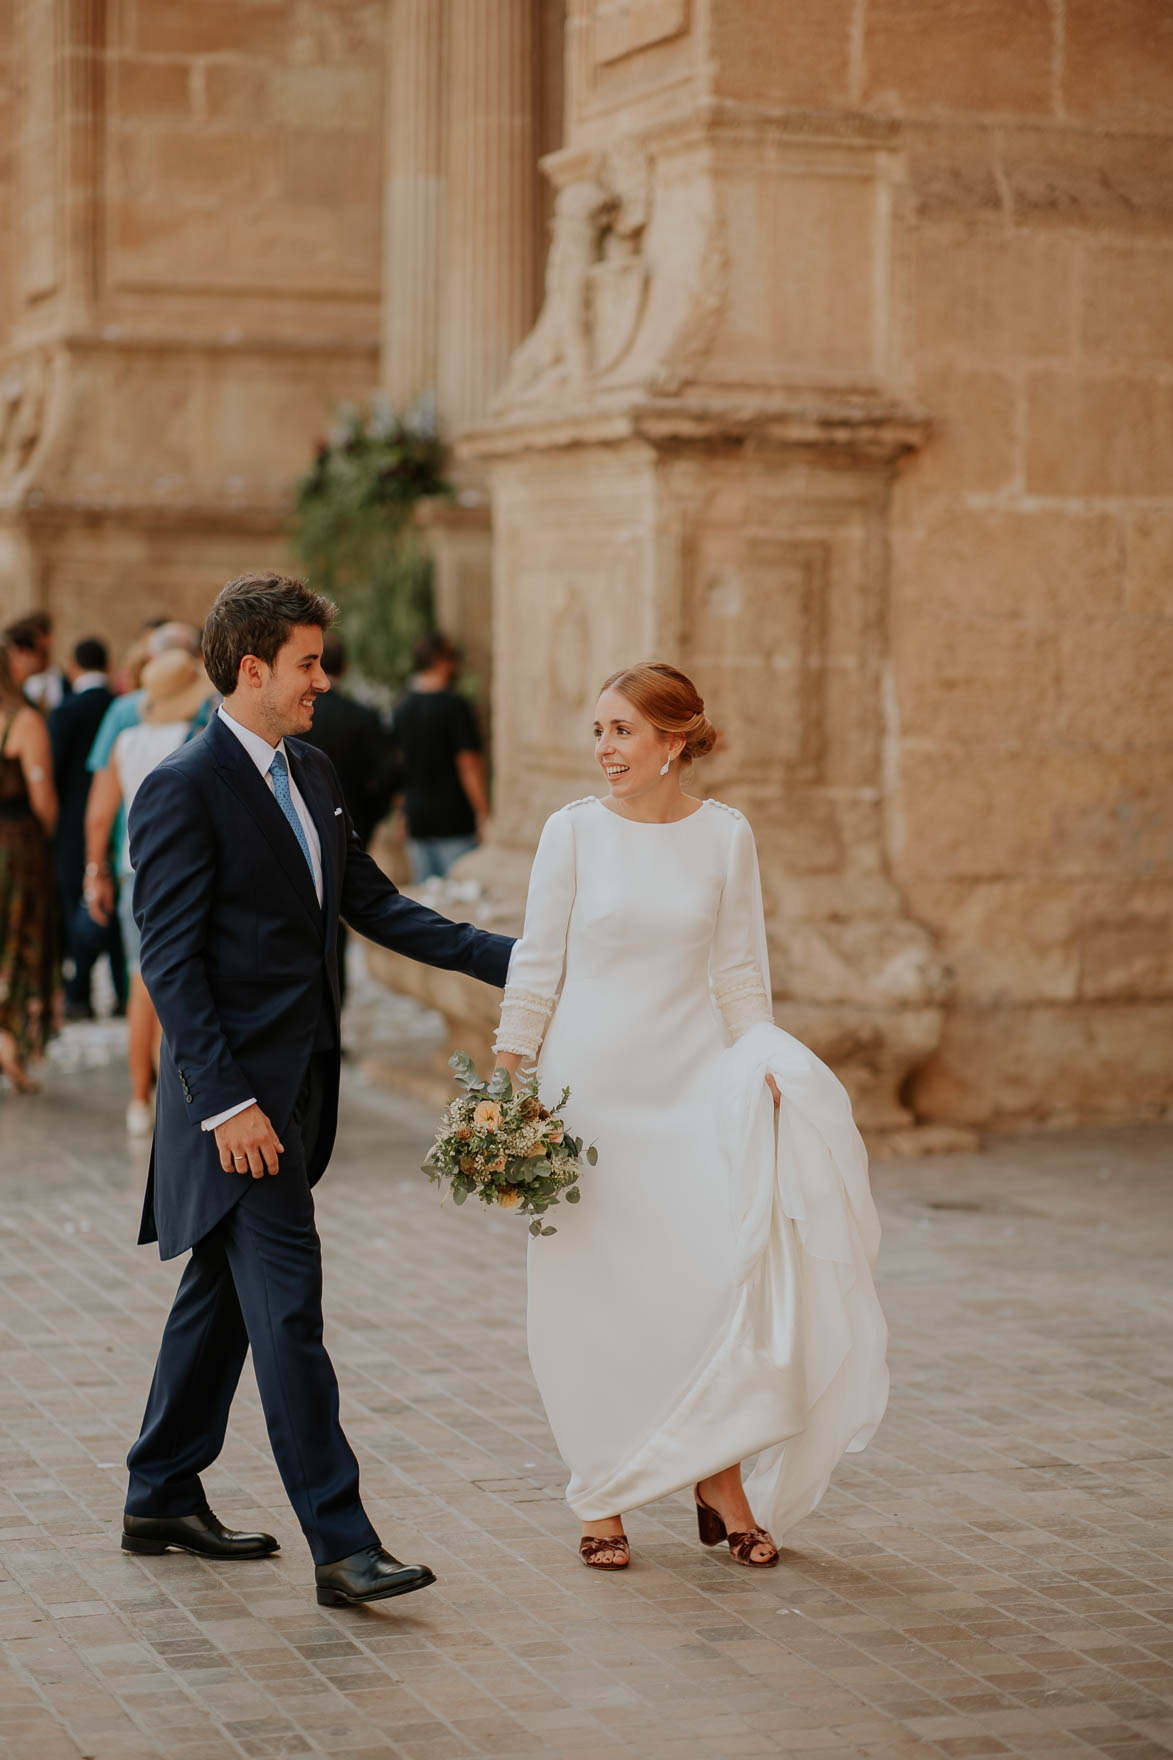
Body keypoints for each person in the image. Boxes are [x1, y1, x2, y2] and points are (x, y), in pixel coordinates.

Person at [122, 572, 514, 1610]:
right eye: (306, 663)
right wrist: (227, 1105)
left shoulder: (315, 767)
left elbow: (376, 905)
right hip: (237, 1108)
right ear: (252, 669)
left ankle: (159, 1488)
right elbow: (171, 964)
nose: (321, 680)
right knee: (288, 1312)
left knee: (223, 1297)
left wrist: (513, 959)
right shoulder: (181, 784)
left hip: (298, 1093)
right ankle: (342, 1543)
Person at [492, 662, 888, 1571]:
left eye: (622, 731)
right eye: (598, 730)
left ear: (675, 741)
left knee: (710, 1285)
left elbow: (739, 971)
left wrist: (766, 1064)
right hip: (586, 1098)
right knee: (590, 1298)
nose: (604, 749)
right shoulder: (572, 833)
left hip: (693, 1092)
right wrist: (506, 1080)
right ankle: (601, 1490)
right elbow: (537, 965)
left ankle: (717, 1476)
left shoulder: (725, 837)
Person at [85, 651, 213, 1132]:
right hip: (180, 873)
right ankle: (176, 1098)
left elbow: (100, 814)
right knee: (177, 982)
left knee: (141, 981)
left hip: (129, 871)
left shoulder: (126, 740)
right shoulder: (196, 741)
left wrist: (94, 872)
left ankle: (139, 1097)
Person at [300, 632, 397, 1010]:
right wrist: (371, 815)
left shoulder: (317, 748)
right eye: (307, 666)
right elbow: (390, 773)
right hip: (352, 824)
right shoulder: (359, 716)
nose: (319, 683)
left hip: (345, 830)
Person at [49, 638, 124, 1020]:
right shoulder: (120, 706)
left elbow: (53, 774)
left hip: (73, 826)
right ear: (107, 663)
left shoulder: (64, 712)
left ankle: (79, 994)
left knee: (76, 907)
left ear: (73, 666)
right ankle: (125, 993)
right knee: (120, 908)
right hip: (120, 820)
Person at [0, 634, 60, 1092]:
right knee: (20, 939)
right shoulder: (23, 722)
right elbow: (43, 803)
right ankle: (8, 1042)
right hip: (16, 847)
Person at [391, 632, 488, 882]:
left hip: (417, 818)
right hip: (454, 819)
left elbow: (398, 766)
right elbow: (468, 764)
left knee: (426, 906)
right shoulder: (455, 706)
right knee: (459, 903)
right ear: (441, 661)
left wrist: (402, 813)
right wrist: (482, 812)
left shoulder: (402, 706)